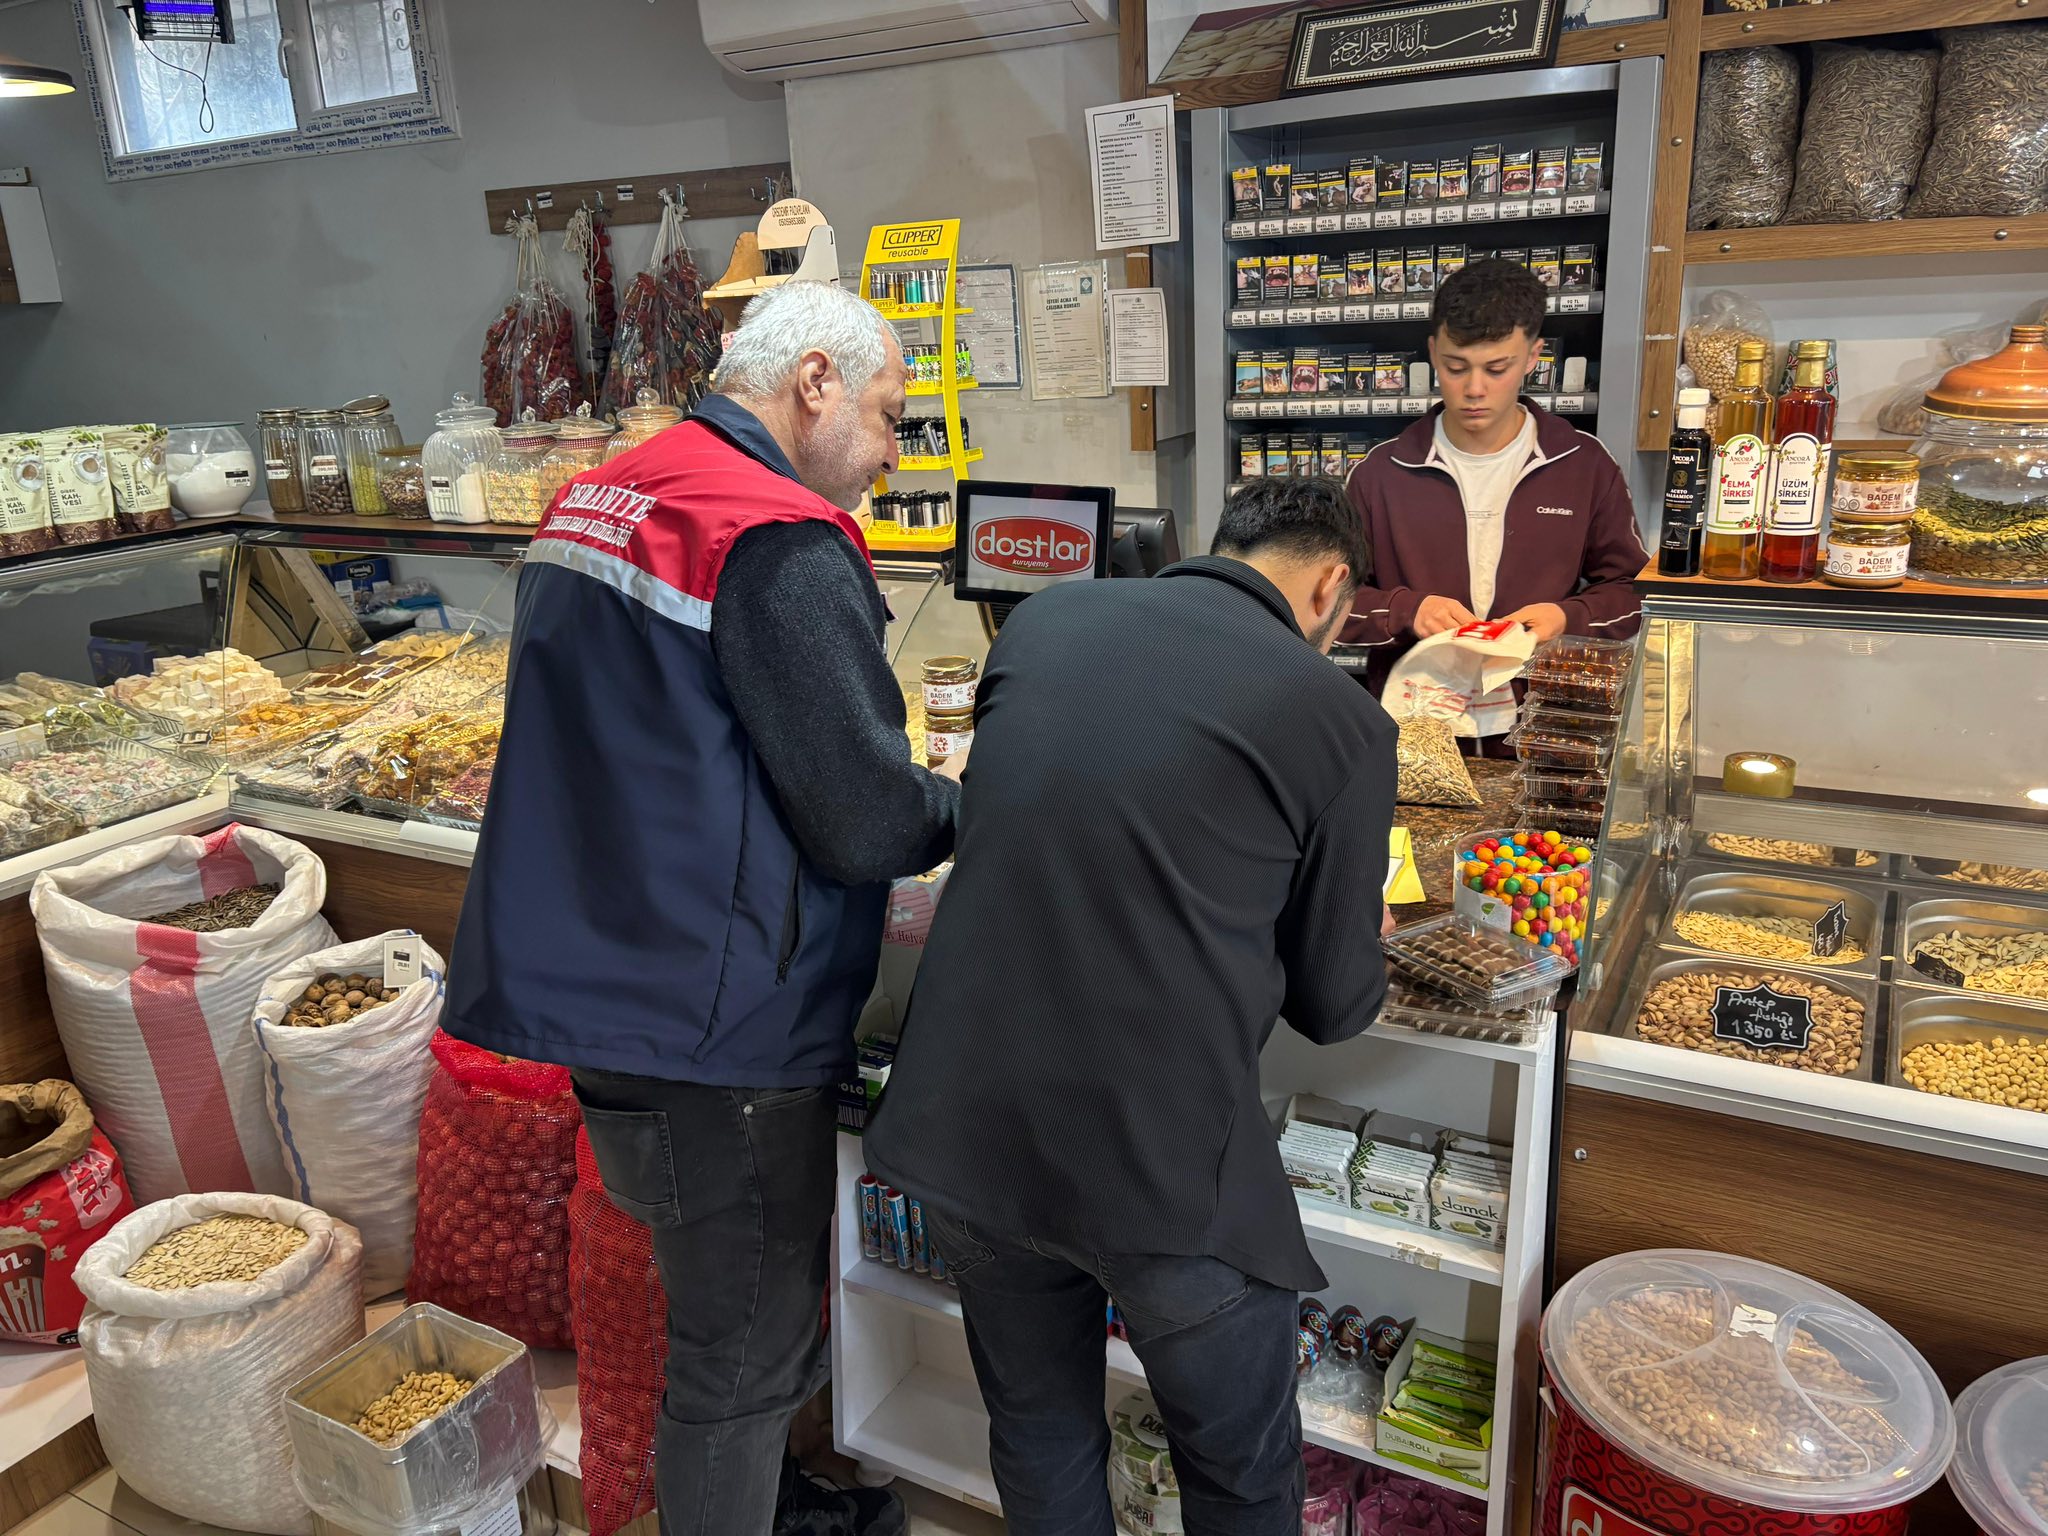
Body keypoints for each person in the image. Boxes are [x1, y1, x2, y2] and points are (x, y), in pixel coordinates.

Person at [446, 281, 961, 1536]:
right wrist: (966, 803)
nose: (894, 453)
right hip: (720, 1020)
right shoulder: (773, 535)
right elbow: (864, 821)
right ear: (816, 382)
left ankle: (772, 1506)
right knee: (742, 1355)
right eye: (890, 416)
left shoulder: (605, 493)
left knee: (726, 1318)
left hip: (615, 980)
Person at [865, 479, 1399, 1536]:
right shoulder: (1342, 718)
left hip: (969, 1132)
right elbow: (1336, 1005)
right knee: (1238, 1473)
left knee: (1038, 1428)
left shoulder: (1045, 620)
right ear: (1330, 585)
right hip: (1162, 1173)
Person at [1341, 257, 1645, 701]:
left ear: (1533, 356)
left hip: (1536, 716)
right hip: (1414, 719)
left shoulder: (1584, 464)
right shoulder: (1380, 473)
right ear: (1433, 353)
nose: (1474, 389)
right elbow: (1330, 598)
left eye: (1497, 369)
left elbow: (1631, 590)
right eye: (1456, 367)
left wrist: (1568, 617)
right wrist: (1406, 610)